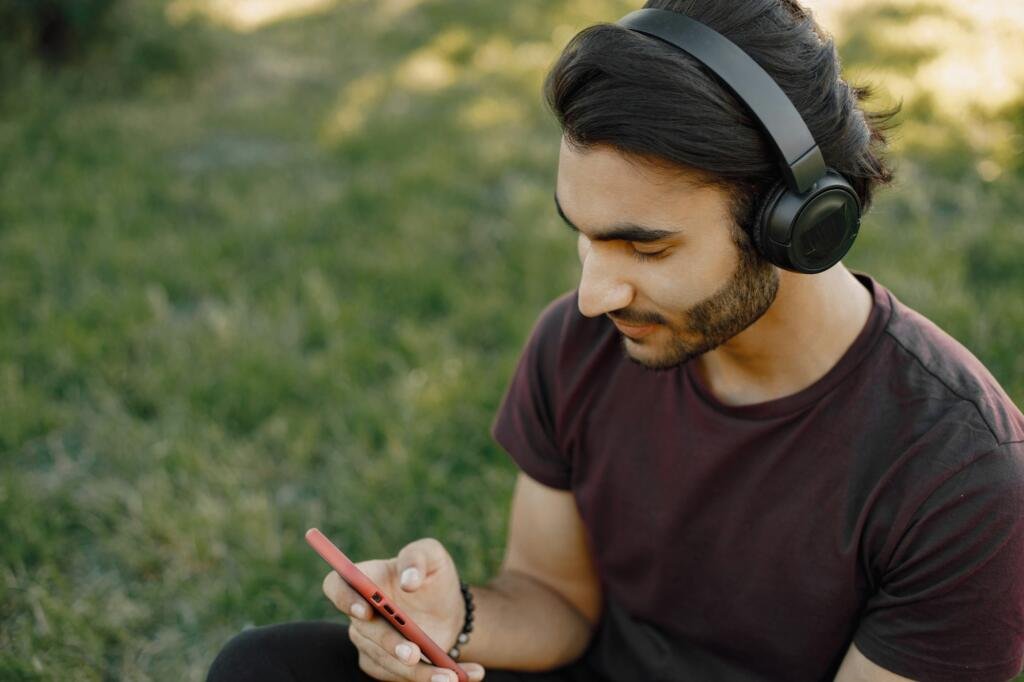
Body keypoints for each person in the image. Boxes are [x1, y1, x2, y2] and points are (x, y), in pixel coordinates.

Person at [206, 1, 1024, 680]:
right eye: (586, 236)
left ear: (801, 227)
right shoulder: (580, 343)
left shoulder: (962, 476)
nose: (595, 295)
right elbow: (554, 600)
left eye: (648, 246)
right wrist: (453, 621)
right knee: (265, 667)